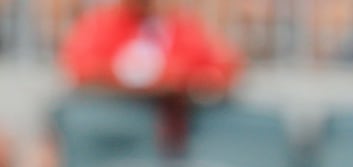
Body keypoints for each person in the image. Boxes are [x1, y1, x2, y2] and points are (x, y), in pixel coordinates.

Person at [59, 0, 243, 151]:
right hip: (113, 134)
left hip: (173, 137)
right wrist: (144, 80)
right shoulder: (101, 23)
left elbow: (223, 67)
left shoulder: (181, 25)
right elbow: (81, 68)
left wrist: (190, 80)